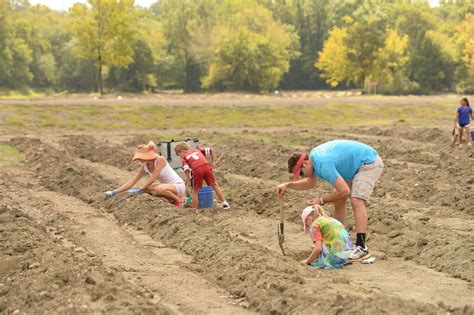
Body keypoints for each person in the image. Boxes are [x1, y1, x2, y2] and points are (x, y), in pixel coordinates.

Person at [276, 140, 383, 261]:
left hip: (368, 163)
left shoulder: (323, 163)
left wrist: (321, 200)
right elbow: (310, 183)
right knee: (338, 199)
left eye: (301, 173)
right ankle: (338, 241)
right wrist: (288, 185)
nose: (302, 176)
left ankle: (361, 246)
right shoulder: (314, 159)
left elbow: (345, 191)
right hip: (354, 165)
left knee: (356, 200)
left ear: (305, 164)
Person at [104, 141, 186, 207]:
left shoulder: (160, 160)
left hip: (178, 186)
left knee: (157, 189)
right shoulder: (145, 167)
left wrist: (141, 189)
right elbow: (132, 182)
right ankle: (170, 200)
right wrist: (114, 192)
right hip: (168, 186)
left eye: (140, 158)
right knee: (149, 189)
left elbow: (153, 178)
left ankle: (178, 200)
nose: (139, 160)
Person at [174, 141, 230, 209]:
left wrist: (189, 181)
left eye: (179, 155)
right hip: (206, 166)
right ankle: (224, 203)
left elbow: (186, 170)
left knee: (195, 190)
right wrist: (212, 162)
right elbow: (211, 150)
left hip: (197, 169)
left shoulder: (184, 158)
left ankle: (194, 209)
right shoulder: (197, 150)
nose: (180, 157)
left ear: (181, 151)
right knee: (214, 185)